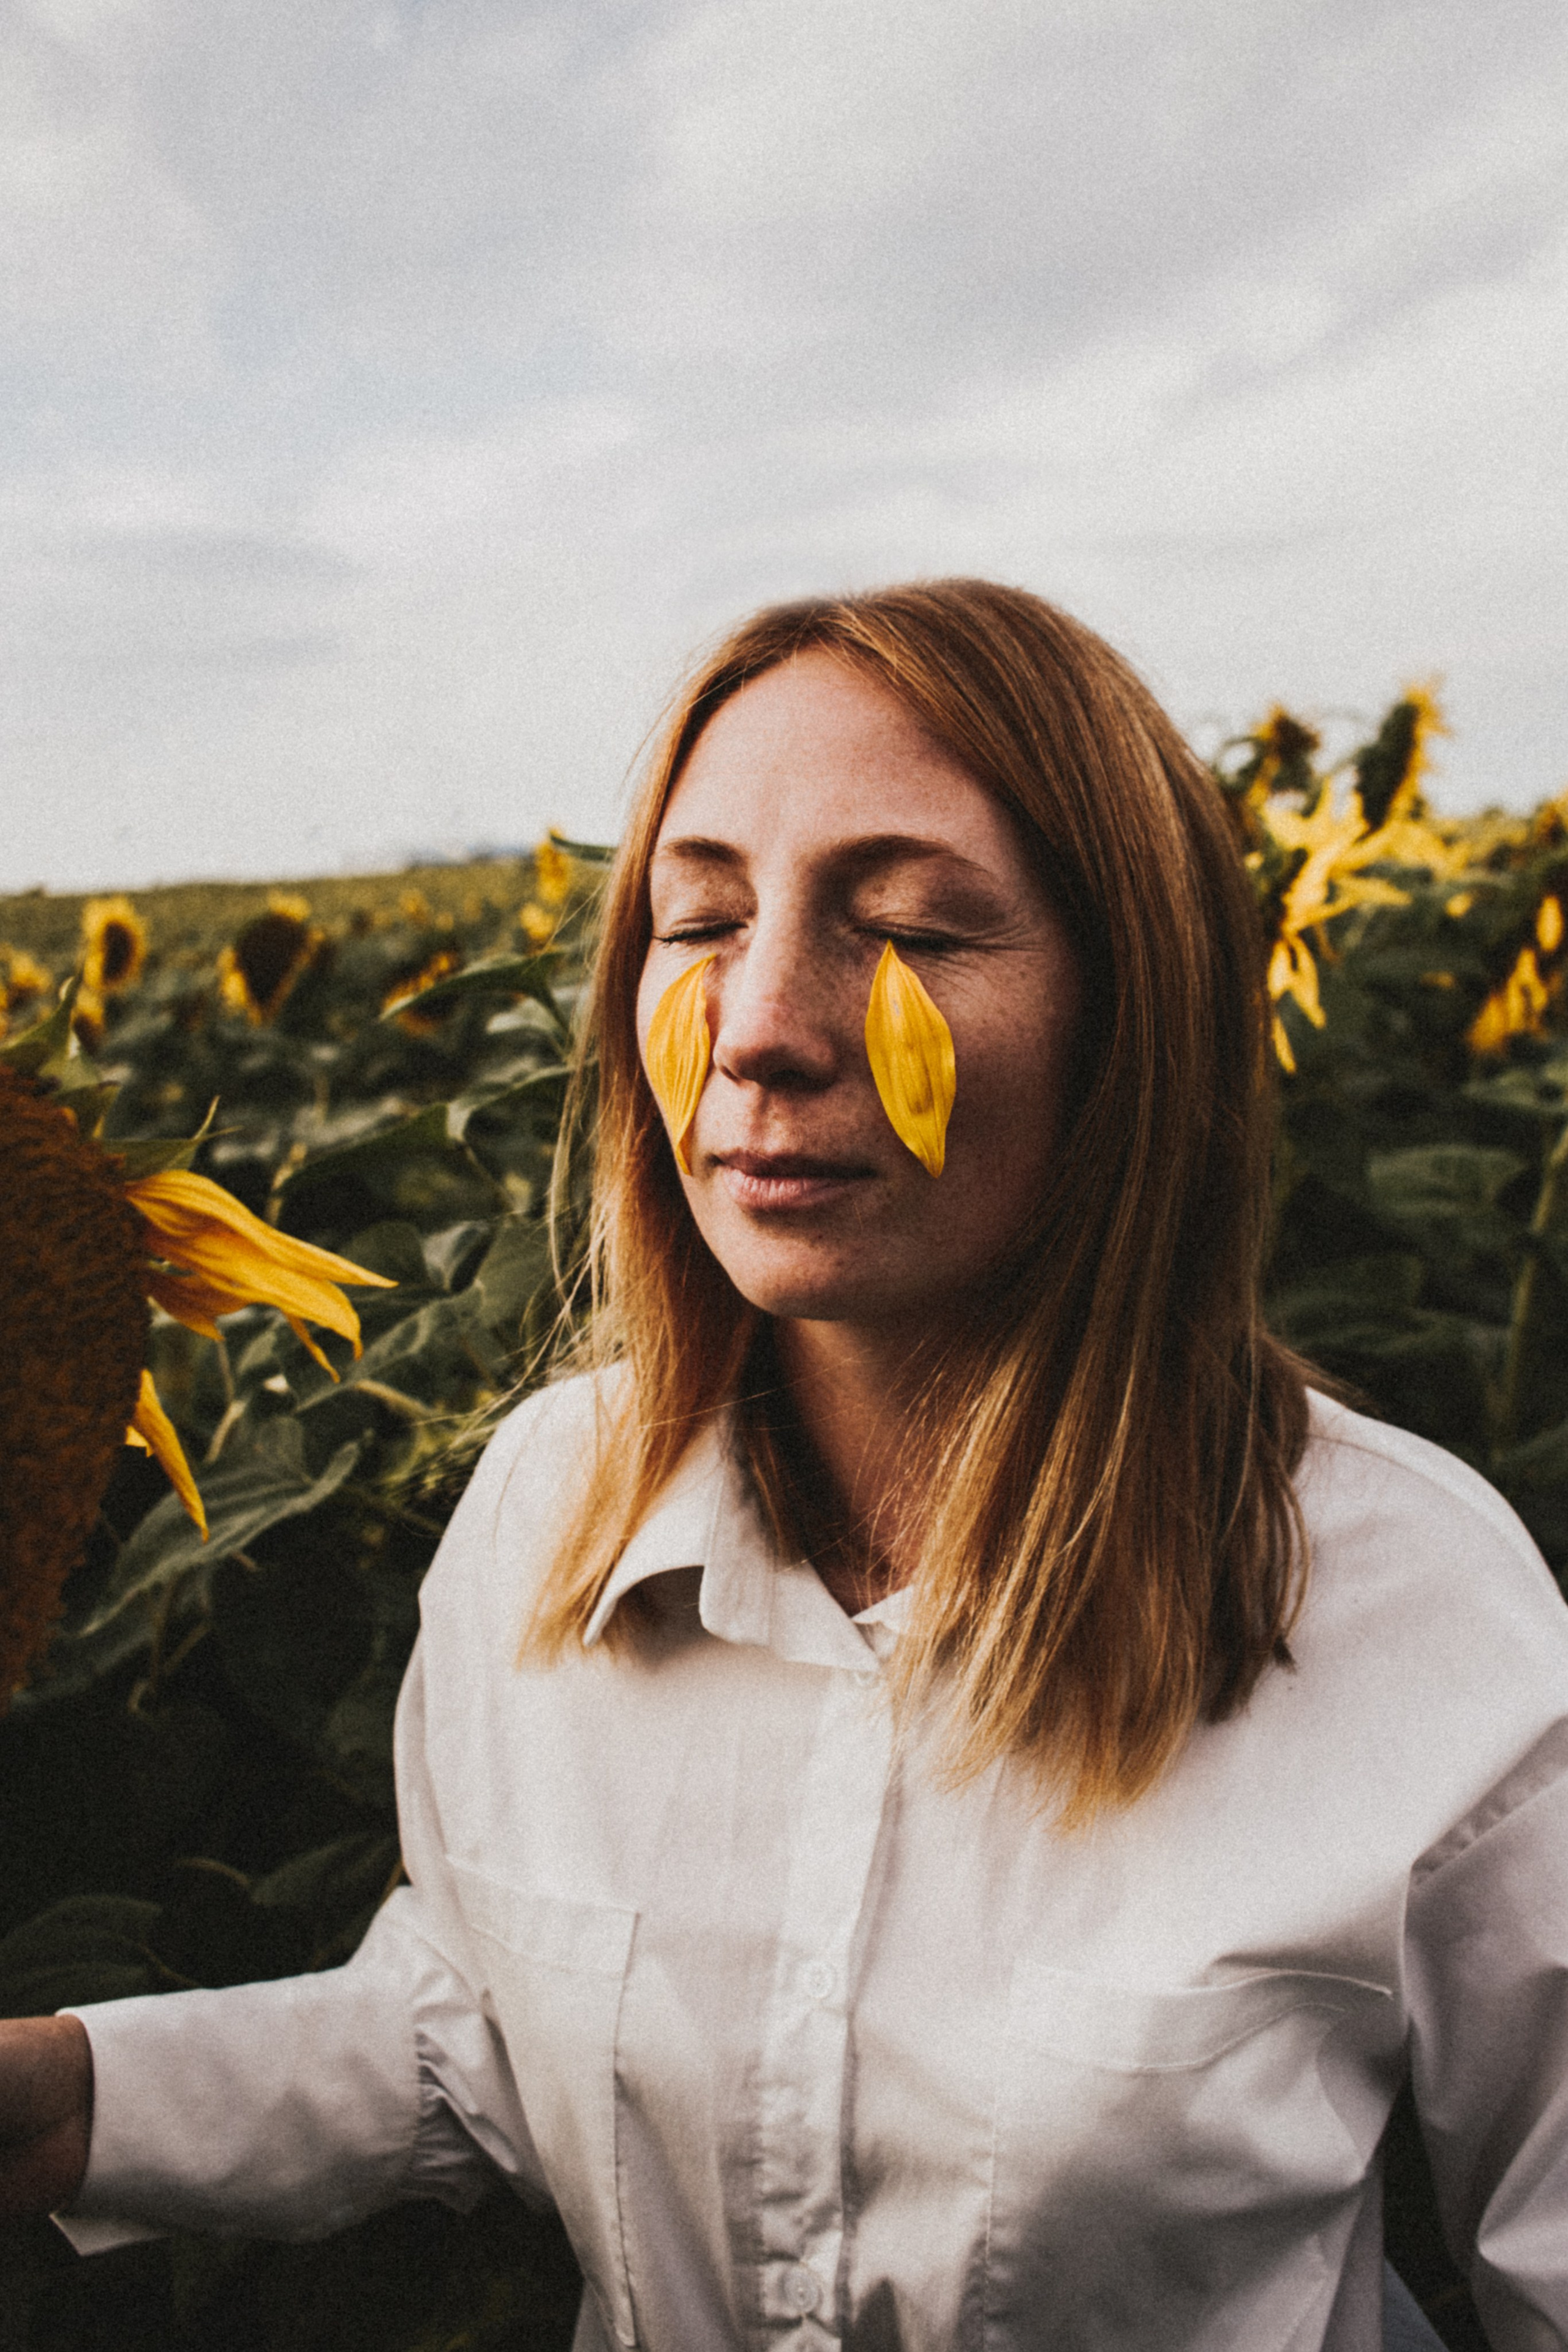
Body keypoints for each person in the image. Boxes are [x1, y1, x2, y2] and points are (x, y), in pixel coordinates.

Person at [2, 579, 1566, 2352]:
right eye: (699, 920)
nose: (761, 1029)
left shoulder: (1409, 1611)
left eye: (907, 925)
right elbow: (489, 2034)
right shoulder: (544, 1516)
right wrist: (70, 2099)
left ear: (1136, 1017)